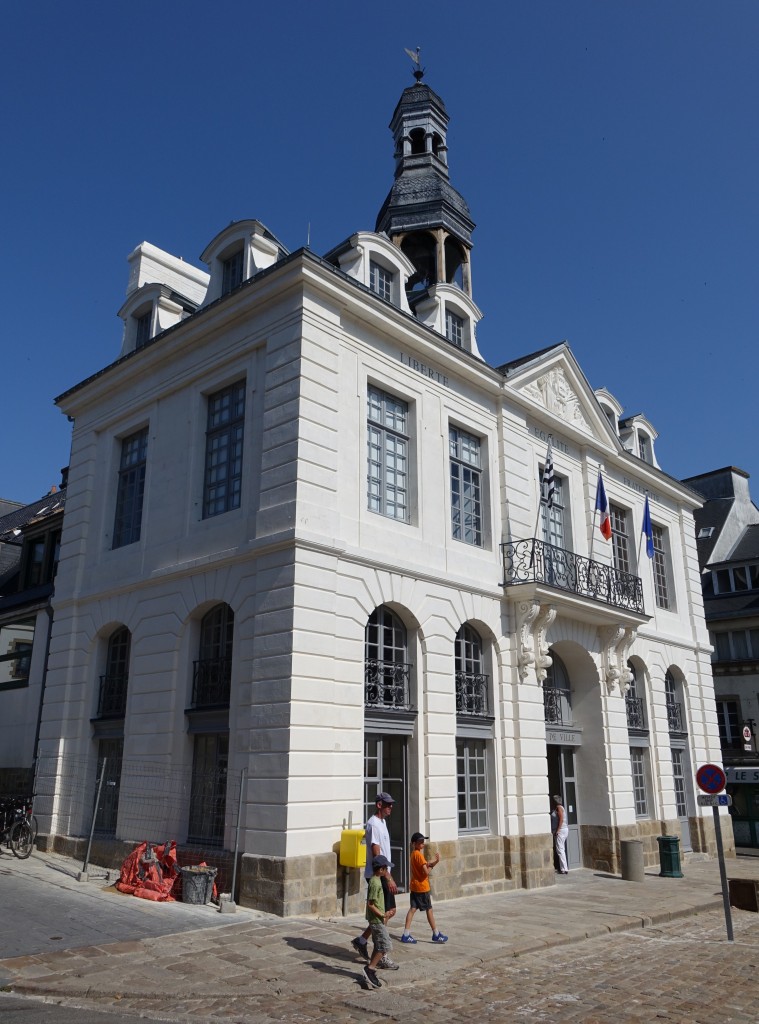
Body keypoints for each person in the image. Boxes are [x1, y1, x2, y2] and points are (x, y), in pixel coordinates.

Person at [351, 792, 399, 968]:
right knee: (385, 914)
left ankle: (363, 941)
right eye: (387, 804)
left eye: (391, 804)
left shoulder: (382, 822)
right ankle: (382, 954)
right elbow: (377, 852)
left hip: (382, 874)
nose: (390, 807)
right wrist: (388, 877)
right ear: (379, 805)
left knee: (388, 912)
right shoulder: (373, 824)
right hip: (378, 876)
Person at [401, 832, 447, 943]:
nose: (423, 844)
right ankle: (436, 933)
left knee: (412, 909)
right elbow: (426, 871)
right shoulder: (419, 855)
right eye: (420, 842)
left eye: (423, 841)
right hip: (422, 887)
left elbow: (425, 864)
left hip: (415, 886)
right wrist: (434, 864)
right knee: (429, 910)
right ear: (414, 843)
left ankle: (406, 934)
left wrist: (434, 861)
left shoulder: (413, 855)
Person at [361, 855, 395, 989]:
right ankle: (370, 969)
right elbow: (370, 904)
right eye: (385, 868)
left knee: (378, 945)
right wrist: (381, 914)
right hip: (376, 920)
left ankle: (371, 968)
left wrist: (386, 914)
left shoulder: (378, 881)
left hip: (379, 918)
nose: (387, 870)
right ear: (380, 869)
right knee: (385, 945)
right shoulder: (375, 883)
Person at [552, 793, 568, 874]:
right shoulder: (560, 807)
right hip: (563, 830)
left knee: (560, 849)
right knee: (561, 849)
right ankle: (563, 867)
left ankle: (564, 869)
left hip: (561, 830)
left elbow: (561, 819)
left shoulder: (559, 808)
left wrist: (557, 830)